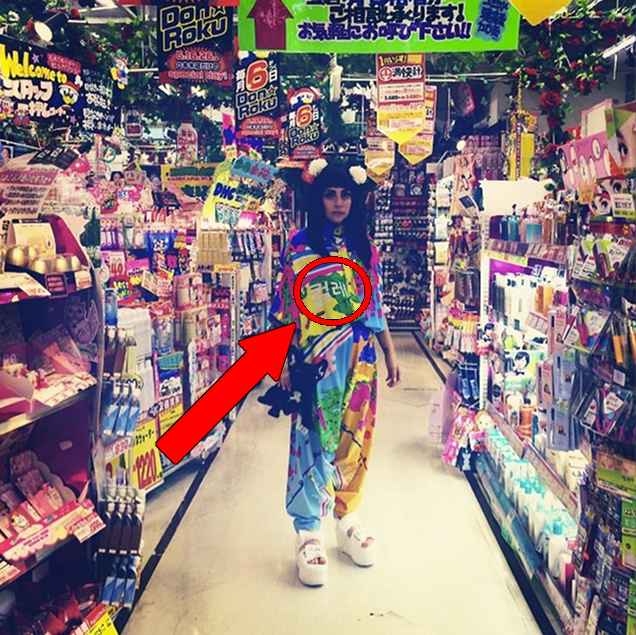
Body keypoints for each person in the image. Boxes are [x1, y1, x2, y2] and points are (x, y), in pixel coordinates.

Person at [269, 161, 401, 587]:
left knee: (355, 436)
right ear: (318, 198)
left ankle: (347, 515)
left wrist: (390, 353)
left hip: (361, 360)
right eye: (330, 194)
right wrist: (283, 361)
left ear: (356, 200)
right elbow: (285, 308)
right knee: (313, 437)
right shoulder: (298, 246)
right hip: (315, 361)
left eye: (346, 195)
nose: (339, 203)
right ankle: (308, 529)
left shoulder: (365, 249)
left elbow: (375, 306)